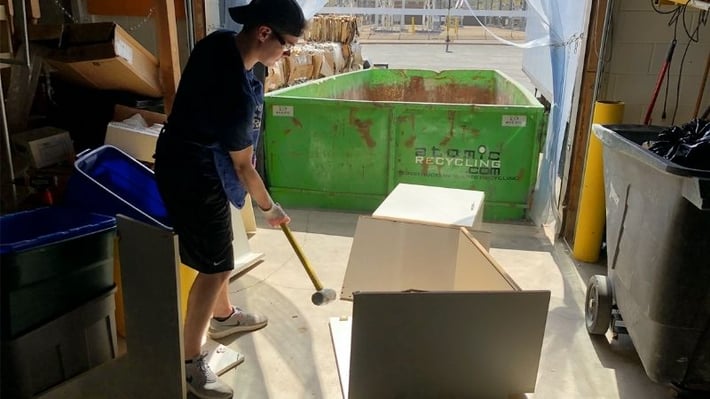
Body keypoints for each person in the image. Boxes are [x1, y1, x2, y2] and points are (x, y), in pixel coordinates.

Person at [153, 0, 306, 397]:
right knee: (216, 267)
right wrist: (271, 209)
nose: (286, 52)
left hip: (186, 156)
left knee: (219, 251)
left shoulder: (217, 43)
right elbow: (243, 167)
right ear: (263, 33)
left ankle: (222, 317)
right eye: (286, 44)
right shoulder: (236, 94)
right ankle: (191, 363)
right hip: (195, 171)